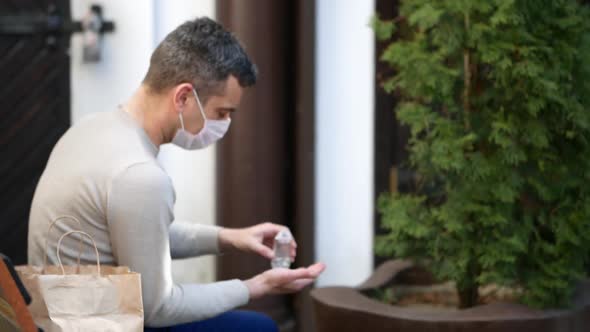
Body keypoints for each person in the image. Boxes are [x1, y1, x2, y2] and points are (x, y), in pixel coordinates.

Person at [27, 17, 325, 331]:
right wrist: (256, 286)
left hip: (56, 316)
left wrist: (232, 238)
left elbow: (141, 234)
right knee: (258, 328)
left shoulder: (88, 130)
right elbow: (158, 308)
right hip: (96, 323)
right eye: (221, 113)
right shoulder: (140, 175)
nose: (223, 125)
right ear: (183, 97)